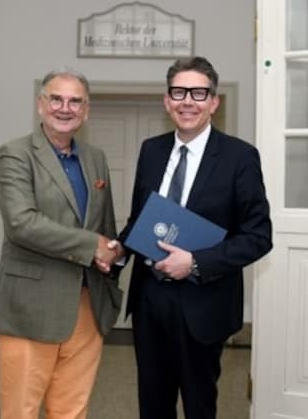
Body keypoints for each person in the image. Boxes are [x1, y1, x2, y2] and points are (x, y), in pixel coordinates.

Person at [116, 56, 273, 419]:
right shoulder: (151, 150)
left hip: (203, 303)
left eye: (199, 93)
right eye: (179, 91)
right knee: (153, 404)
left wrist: (196, 262)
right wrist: (119, 249)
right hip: (150, 300)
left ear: (214, 102)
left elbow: (258, 236)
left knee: (200, 405)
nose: (188, 100)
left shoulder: (240, 156)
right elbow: (142, 218)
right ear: (167, 101)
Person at [0, 68, 124, 419]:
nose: (65, 108)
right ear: (41, 104)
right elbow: (21, 223)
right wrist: (92, 244)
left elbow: (104, 225)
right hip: (31, 306)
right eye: (57, 99)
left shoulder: (95, 158)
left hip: (87, 305)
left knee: (72, 410)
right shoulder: (16, 153)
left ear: (86, 110)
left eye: (75, 101)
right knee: (21, 410)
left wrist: (115, 252)